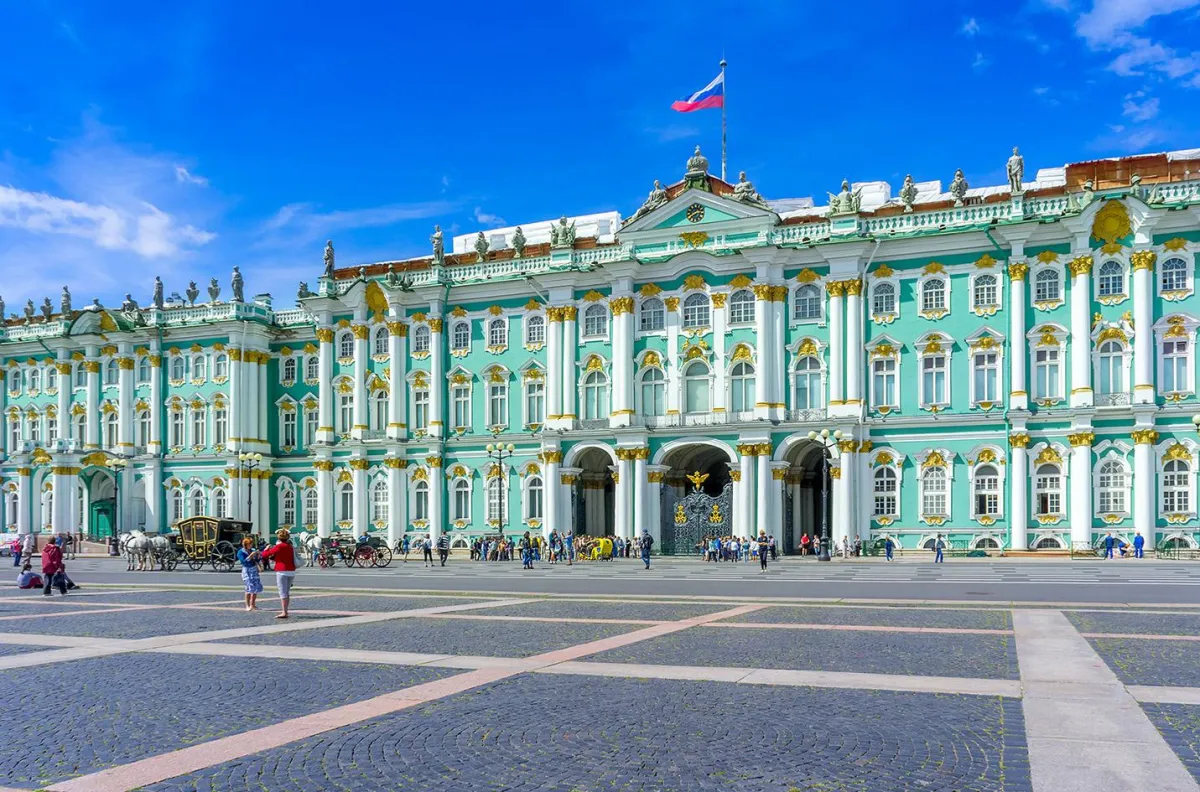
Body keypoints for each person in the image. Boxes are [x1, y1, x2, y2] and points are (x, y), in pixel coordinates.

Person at [260, 529, 296, 619]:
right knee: (287, 592)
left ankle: (284, 612)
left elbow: (265, 555)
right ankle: (285, 610)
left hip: (282, 571)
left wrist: (265, 550)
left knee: (282, 592)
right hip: (291, 571)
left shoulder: (279, 546)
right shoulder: (290, 546)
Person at [237, 538, 263, 611]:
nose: (251, 545)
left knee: (255, 588)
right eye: (249, 544)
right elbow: (244, 561)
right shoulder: (241, 552)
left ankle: (253, 605)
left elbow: (257, 560)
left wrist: (258, 555)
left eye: (251, 544)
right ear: (245, 544)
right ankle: (247, 605)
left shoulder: (252, 550)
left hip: (254, 570)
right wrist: (250, 555)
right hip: (247, 571)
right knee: (249, 588)